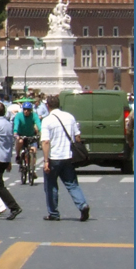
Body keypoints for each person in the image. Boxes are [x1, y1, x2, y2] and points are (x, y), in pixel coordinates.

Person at [39, 94, 90, 222]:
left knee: (51, 186)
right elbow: (77, 137)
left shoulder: (47, 120)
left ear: (47, 106)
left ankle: (54, 213)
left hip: (54, 157)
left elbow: (45, 142)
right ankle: (82, 204)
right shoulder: (69, 117)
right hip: (68, 157)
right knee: (72, 184)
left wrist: (45, 161)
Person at [13, 100, 42, 177]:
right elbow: (16, 124)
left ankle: (32, 169)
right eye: (25, 109)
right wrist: (15, 133)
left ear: (31, 110)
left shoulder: (34, 115)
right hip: (21, 135)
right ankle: (18, 155)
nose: (26, 111)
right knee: (20, 141)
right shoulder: (19, 116)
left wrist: (41, 131)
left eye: (28, 110)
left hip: (31, 135)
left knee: (33, 150)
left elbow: (38, 124)